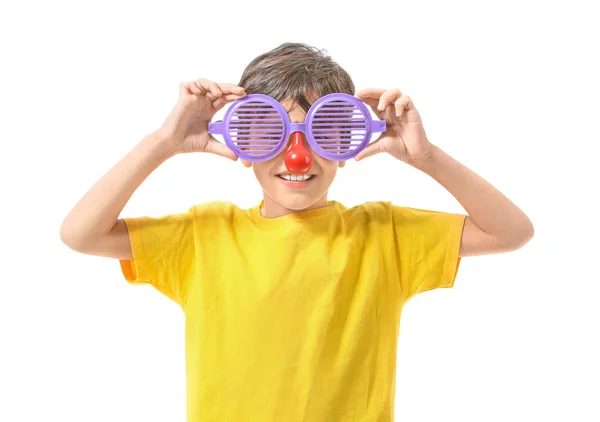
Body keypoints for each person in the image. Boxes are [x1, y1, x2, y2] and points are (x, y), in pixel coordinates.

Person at [59, 42, 534, 422]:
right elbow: (80, 234)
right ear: (240, 138)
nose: (297, 157)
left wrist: (425, 156)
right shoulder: (204, 235)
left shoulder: (383, 235)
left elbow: (511, 232)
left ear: (349, 138)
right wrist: (163, 142)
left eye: (323, 129)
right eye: (269, 130)